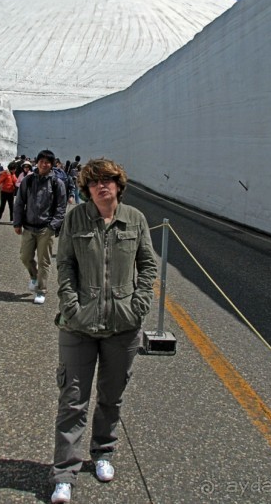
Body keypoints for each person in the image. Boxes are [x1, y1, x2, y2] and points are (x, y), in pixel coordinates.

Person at [49, 158, 157, 504]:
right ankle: (65, 473)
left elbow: (148, 264)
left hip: (123, 326)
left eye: (107, 180)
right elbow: (64, 263)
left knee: (111, 396)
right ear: (86, 189)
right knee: (73, 400)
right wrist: (71, 305)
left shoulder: (135, 220)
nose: (101, 186)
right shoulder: (75, 219)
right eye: (94, 182)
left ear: (118, 185)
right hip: (79, 325)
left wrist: (138, 305)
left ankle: (103, 453)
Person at [13, 149, 67, 305]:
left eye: (47, 162)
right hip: (29, 227)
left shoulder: (57, 183)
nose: (44, 164)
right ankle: (34, 276)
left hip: (46, 229)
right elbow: (19, 203)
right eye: (41, 161)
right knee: (25, 257)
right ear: (37, 162)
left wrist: (53, 226)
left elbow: (61, 208)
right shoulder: (28, 181)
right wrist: (17, 223)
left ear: (52, 164)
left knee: (44, 261)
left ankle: (41, 290)